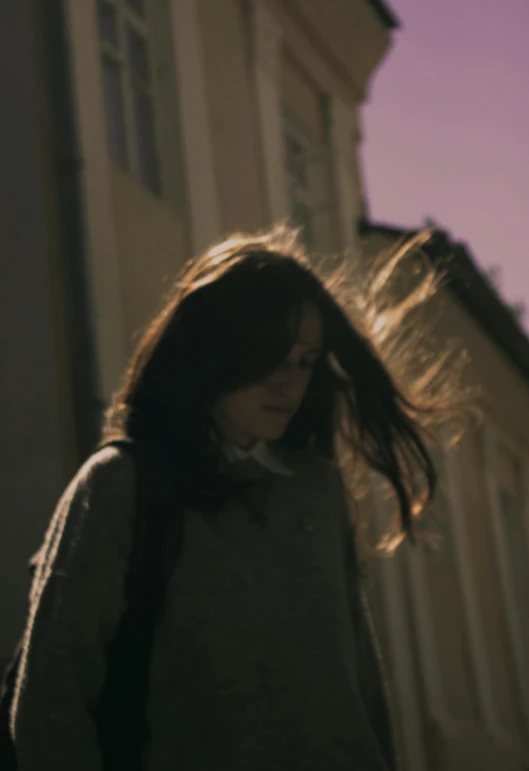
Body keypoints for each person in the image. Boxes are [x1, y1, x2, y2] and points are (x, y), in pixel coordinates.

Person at [9, 224, 462, 770]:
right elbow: (49, 703)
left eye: (305, 360)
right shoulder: (120, 484)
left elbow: (360, 686)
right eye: (269, 357)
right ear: (211, 351)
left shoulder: (315, 489)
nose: (289, 383)